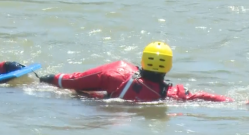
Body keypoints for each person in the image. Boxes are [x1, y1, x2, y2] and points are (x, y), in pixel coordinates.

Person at [38, 41, 233, 102]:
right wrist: (235, 102)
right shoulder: (172, 95)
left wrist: (45, 78)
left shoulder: (118, 71)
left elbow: (72, 81)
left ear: (142, 60)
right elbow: (203, 96)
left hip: (100, 106)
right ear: (169, 66)